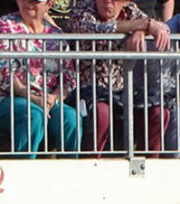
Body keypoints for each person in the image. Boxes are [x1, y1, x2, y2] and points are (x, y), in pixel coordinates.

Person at [67, 0, 171, 155]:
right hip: (87, 88)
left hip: (124, 89)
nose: (108, 1)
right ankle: (91, 165)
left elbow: (164, 28)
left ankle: (148, 166)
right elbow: (98, 29)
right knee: (101, 112)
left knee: (159, 111)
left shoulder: (130, 10)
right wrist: (142, 25)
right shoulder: (82, 10)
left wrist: (140, 31)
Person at [0, 0, 80, 158]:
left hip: (47, 100)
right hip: (9, 97)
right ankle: (23, 171)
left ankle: (68, 173)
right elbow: (1, 71)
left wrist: (53, 98)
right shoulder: (4, 25)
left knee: (71, 119)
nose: (29, 3)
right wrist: (33, 98)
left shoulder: (57, 34)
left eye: (36, 0)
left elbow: (69, 78)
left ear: (49, 4)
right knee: (33, 116)